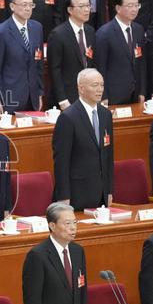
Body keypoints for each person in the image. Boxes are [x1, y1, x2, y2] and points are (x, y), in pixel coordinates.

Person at [23, 202, 88, 304]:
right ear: (52, 226)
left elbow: (82, 290)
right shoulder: (38, 255)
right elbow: (32, 299)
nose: (73, 228)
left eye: (74, 223)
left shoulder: (78, 252)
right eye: (67, 223)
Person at [52, 69, 113, 210]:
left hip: (101, 193)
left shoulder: (106, 115)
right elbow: (61, 161)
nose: (100, 90)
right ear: (81, 88)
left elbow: (108, 155)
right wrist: (63, 196)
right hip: (77, 194)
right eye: (94, 85)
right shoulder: (68, 118)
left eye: (102, 85)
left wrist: (109, 190)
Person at [0, 0, 44, 111]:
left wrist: (40, 93)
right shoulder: (1, 32)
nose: (28, 8)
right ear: (12, 6)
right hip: (10, 97)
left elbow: (39, 64)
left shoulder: (37, 27)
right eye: (24, 5)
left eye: (31, 5)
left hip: (33, 97)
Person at [95, 0, 147, 105]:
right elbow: (100, 67)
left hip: (135, 94)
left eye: (136, 5)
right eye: (129, 6)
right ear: (118, 8)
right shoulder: (104, 33)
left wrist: (142, 91)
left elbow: (142, 64)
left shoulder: (139, 30)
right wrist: (103, 95)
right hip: (114, 95)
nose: (134, 9)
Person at [47, 0, 95, 108]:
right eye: (81, 6)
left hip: (87, 94)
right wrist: (62, 99)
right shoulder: (58, 34)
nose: (86, 10)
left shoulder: (90, 31)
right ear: (70, 10)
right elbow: (55, 70)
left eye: (88, 6)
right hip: (67, 96)